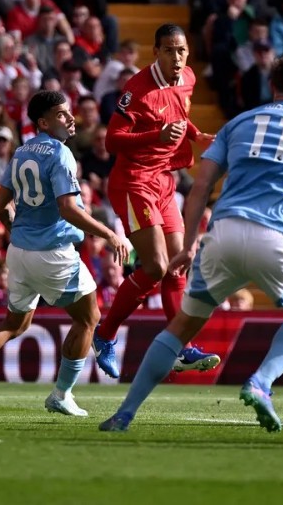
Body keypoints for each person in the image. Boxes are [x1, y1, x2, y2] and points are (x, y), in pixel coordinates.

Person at [98, 53, 283, 433]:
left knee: (180, 327)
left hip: (223, 235)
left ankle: (125, 413)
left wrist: (190, 245)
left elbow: (201, 188)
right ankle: (261, 382)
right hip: (277, 238)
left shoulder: (237, 124)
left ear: (270, 86)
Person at [0, 91, 130, 416]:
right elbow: (67, 208)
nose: (69, 118)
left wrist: (18, 232)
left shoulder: (21, 151)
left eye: (69, 112)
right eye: (61, 114)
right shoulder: (61, 153)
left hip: (20, 252)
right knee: (89, 319)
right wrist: (108, 233)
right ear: (44, 122)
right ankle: (61, 394)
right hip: (53, 253)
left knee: (14, 324)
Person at [92, 24, 218, 378]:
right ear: (156, 53)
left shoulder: (188, 78)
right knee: (157, 266)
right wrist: (156, 135)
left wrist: (197, 134)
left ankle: (181, 349)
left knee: (178, 263)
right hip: (134, 182)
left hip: (164, 180)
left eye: (182, 50)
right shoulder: (137, 90)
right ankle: (105, 335)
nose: (177, 58)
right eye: (169, 51)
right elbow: (112, 140)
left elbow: (179, 115)